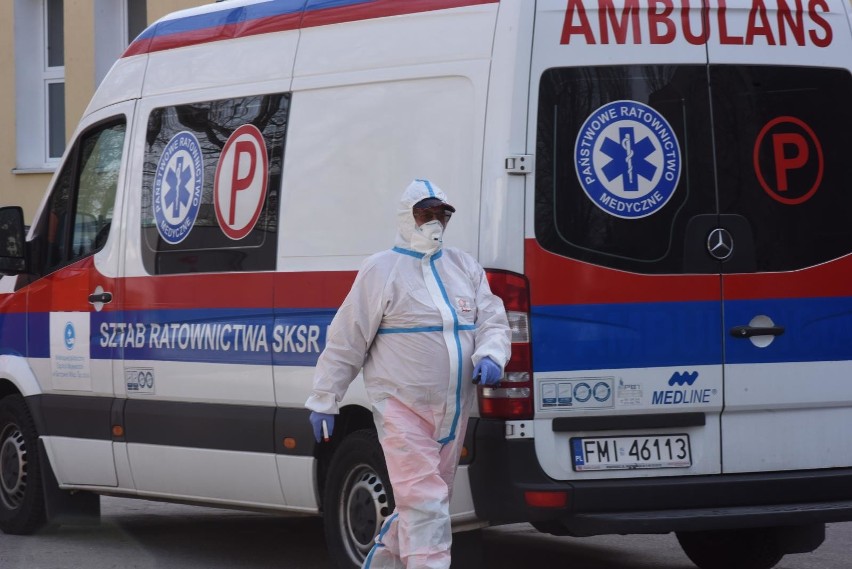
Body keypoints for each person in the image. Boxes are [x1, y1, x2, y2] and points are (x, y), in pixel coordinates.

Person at [305, 178, 511, 569]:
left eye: (441, 214)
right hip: (401, 409)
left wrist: (491, 355)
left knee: (425, 504)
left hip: (453, 410)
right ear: (407, 217)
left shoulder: (463, 266)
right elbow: (347, 339)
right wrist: (324, 399)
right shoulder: (381, 270)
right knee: (426, 502)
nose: (434, 221)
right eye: (425, 213)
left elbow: (493, 320)